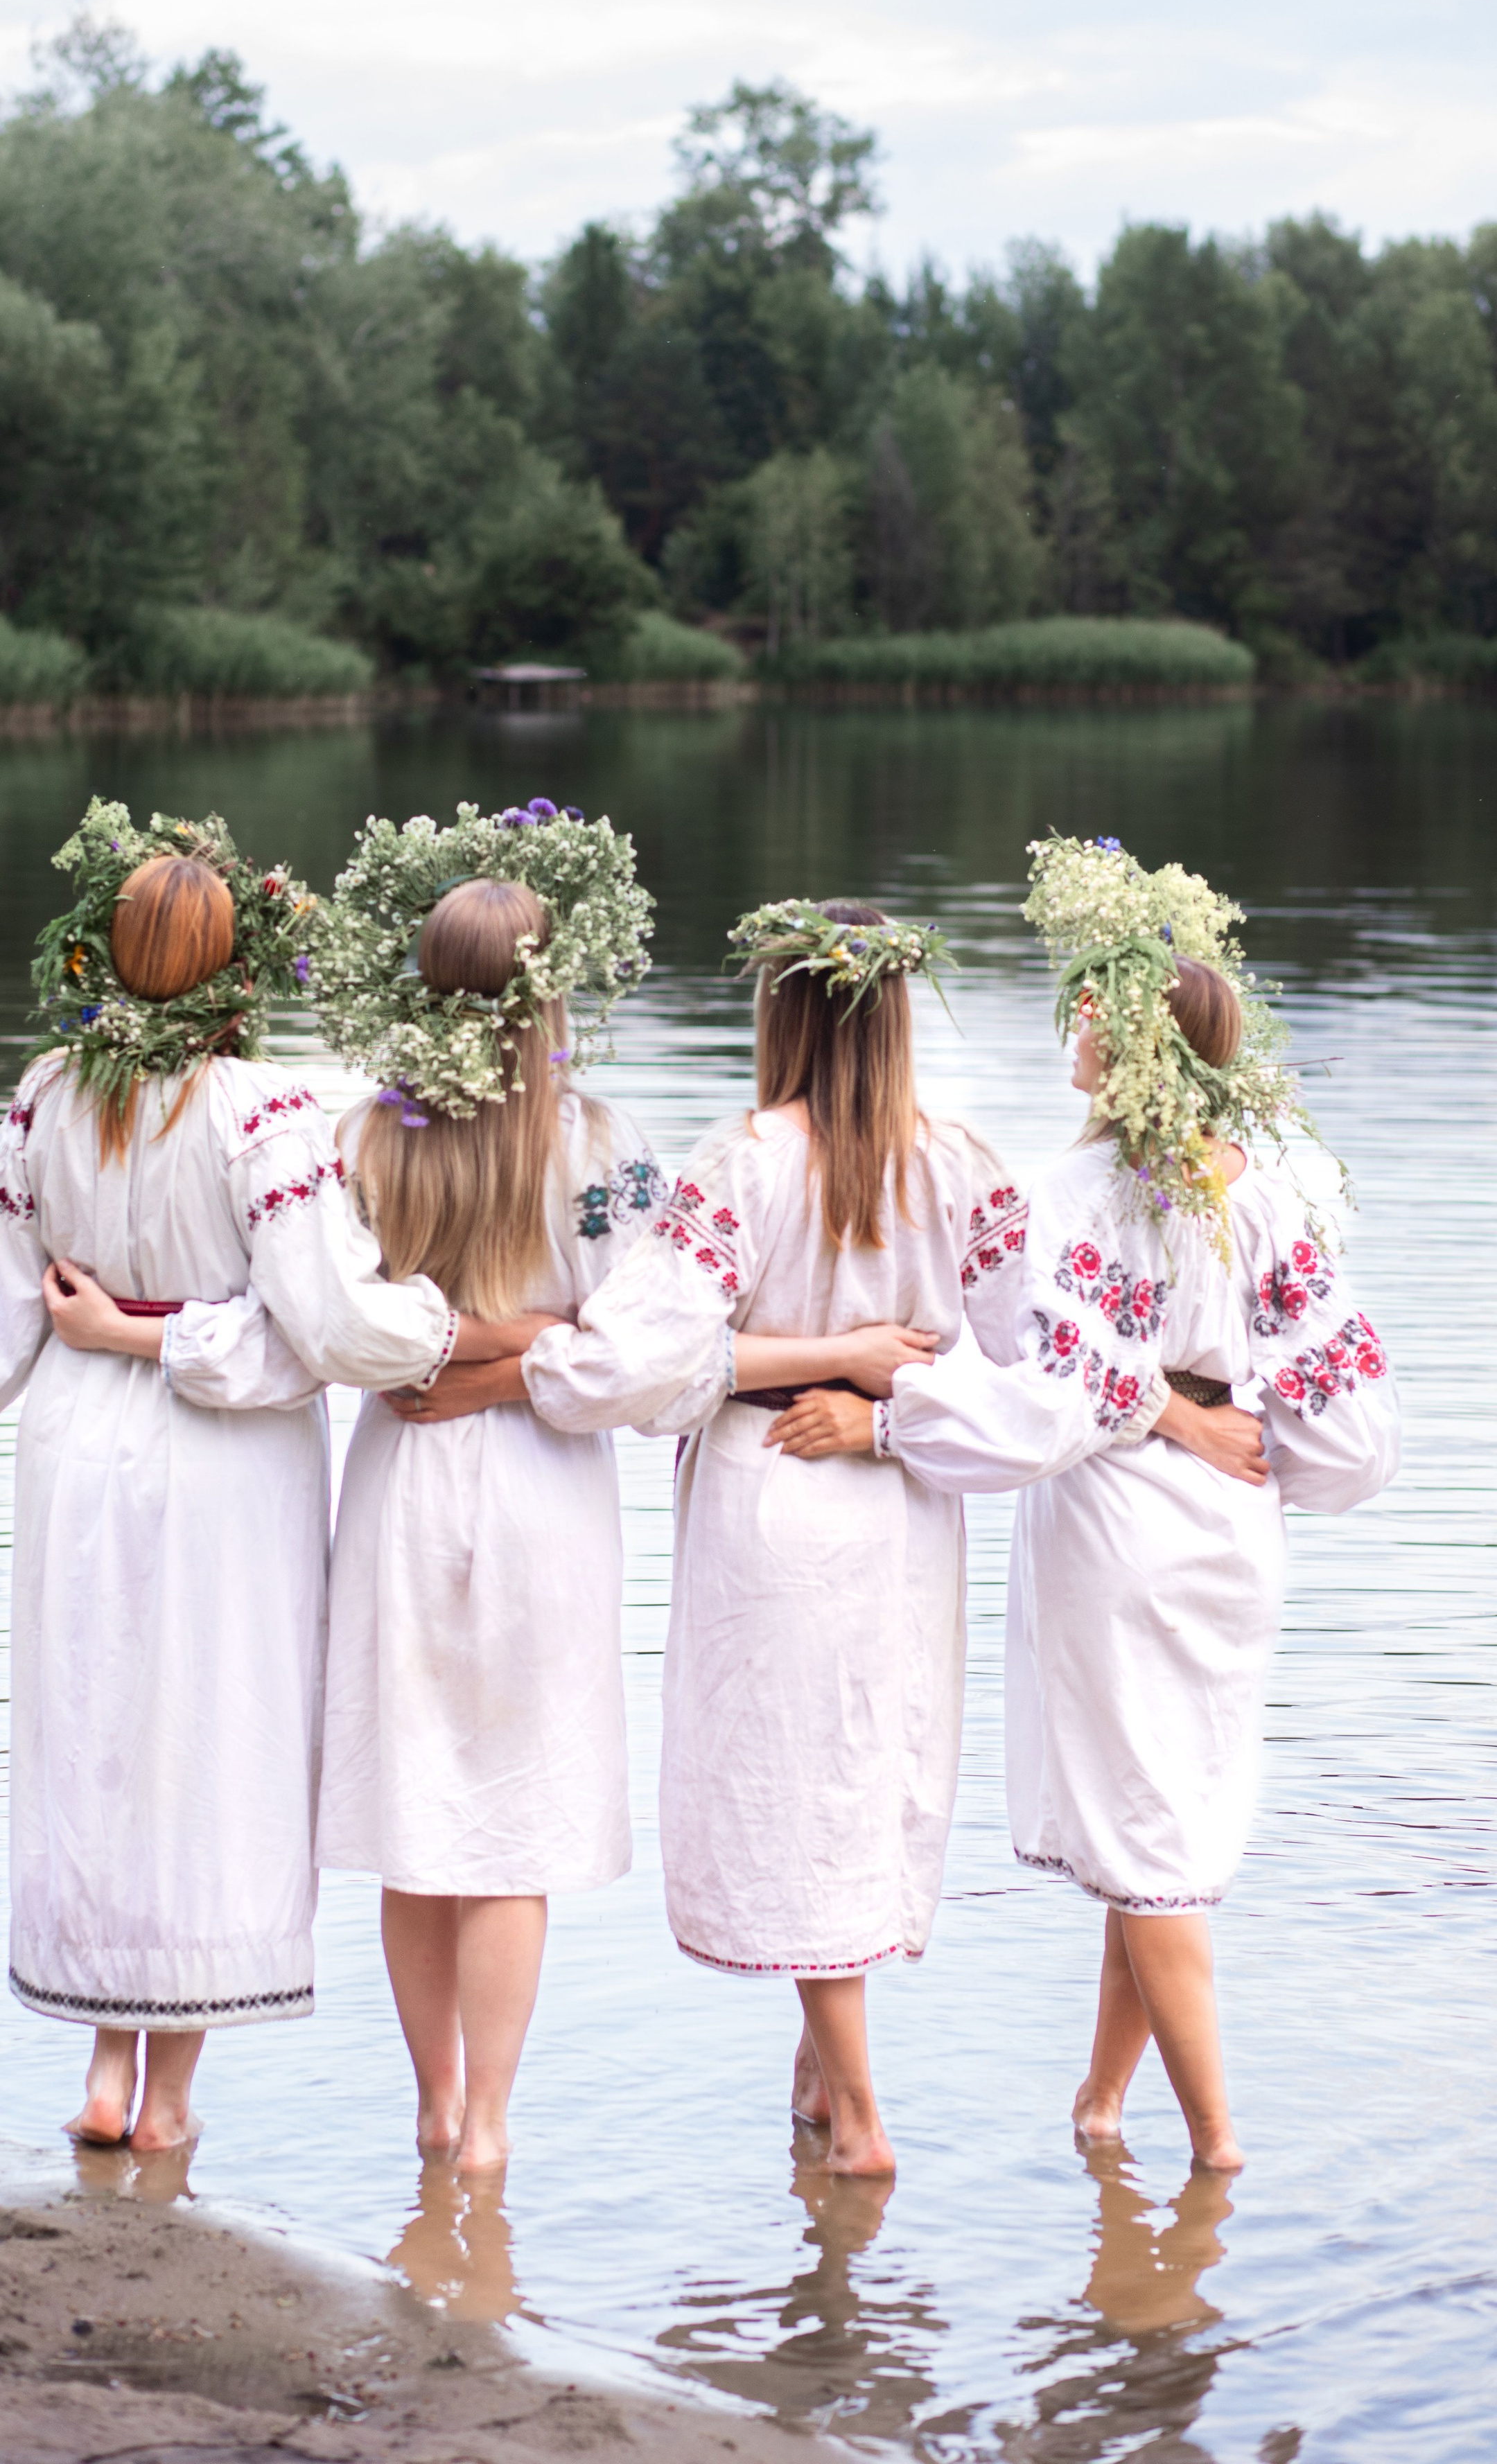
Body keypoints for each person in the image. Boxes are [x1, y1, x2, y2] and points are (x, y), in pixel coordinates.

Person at [0, 802, 532, 2154]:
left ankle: (98, 2066)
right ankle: (171, 2101)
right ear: (233, 968)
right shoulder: (263, 1110)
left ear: (105, 954)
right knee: (212, 1740)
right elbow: (322, 1322)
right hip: (219, 1462)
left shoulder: (48, 1094)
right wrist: (440, 1331)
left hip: (77, 1439)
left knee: (97, 1729)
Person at [55, 801, 742, 2173]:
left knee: (420, 1815)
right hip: (546, 1499)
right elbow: (666, 1351)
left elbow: (300, 1334)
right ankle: (486, 2126)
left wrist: (137, 1333)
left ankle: (430, 2107)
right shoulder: (602, 1149)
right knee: (512, 1834)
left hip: (399, 1488)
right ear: (550, 995)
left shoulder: (357, 1142)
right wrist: (536, 1346)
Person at [772, 838, 1400, 2172]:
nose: (1077, 1032)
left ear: (1140, 1052)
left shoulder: (1069, 1200)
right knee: (1155, 1825)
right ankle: (1101, 2107)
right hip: (1234, 1524)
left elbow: (1043, 1400)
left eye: (1097, 1020)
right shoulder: (1278, 1196)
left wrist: (889, 1422)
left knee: (1146, 1833)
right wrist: (1242, 1433)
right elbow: (1352, 1429)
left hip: (1119, 1530)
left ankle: (1220, 2145)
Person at [402, 897, 1038, 2177]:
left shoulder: (742, 1162)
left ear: (781, 1014)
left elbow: (637, 1362)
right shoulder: (967, 1166)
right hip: (900, 1518)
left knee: (795, 1798)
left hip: (769, 1497)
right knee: (858, 1786)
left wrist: (492, 1369)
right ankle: (823, 2081)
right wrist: (893, 1414)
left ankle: (858, 2121)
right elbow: (1041, 1374)